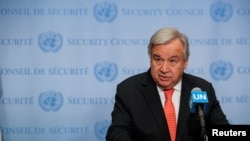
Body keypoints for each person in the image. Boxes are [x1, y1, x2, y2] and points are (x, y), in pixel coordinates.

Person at [106, 27, 229, 141]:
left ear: (185, 62)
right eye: (158, 59)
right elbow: (117, 132)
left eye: (172, 61)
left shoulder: (203, 89)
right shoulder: (129, 90)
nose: (164, 69)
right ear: (150, 59)